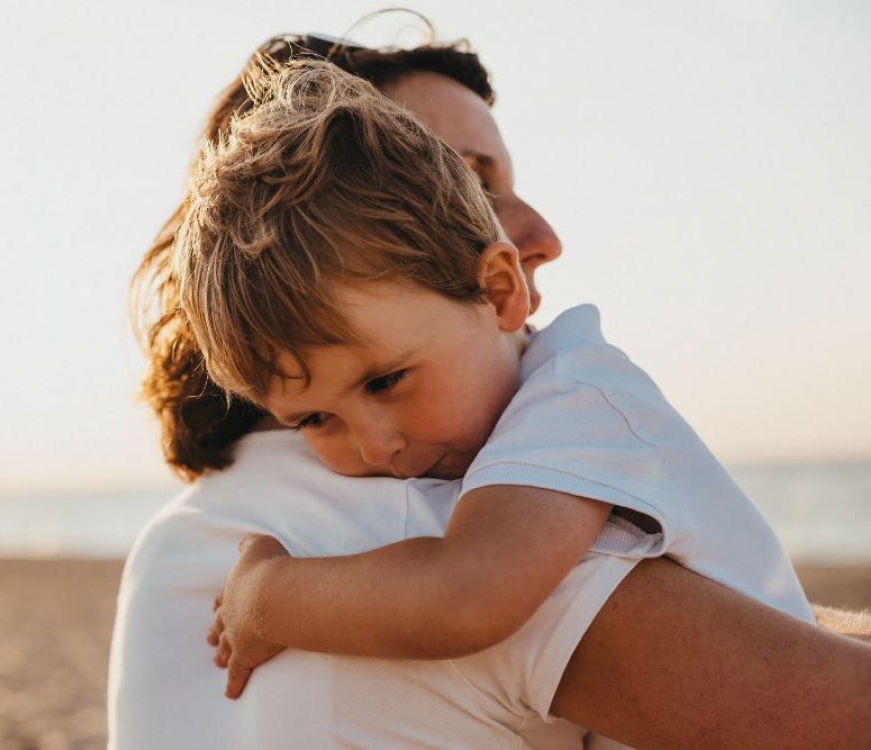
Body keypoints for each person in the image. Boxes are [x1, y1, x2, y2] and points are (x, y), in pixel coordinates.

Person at [110, 29, 871, 750]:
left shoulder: (185, 538)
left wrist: (268, 594)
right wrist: (269, 595)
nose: (542, 233)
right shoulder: (421, 519)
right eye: (463, 179)